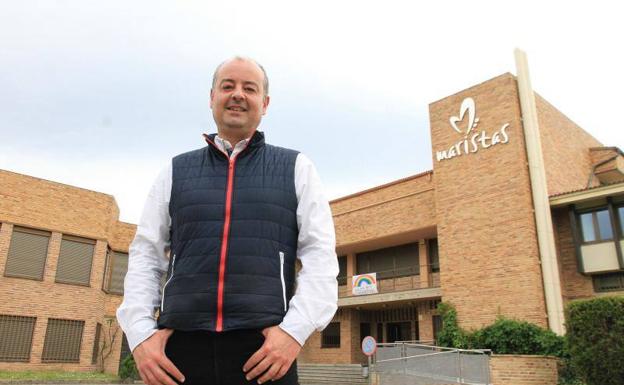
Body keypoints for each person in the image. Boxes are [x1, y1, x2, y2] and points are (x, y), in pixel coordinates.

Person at [116, 56, 339, 385]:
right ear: (211, 98)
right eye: (227, 86)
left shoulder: (297, 168)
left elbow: (320, 255)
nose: (237, 94)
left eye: (249, 88)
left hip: (266, 354)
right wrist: (140, 335)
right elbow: (146, 254)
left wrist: (294, 332)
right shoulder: (175, 171)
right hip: (179, 355)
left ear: (264, 103)